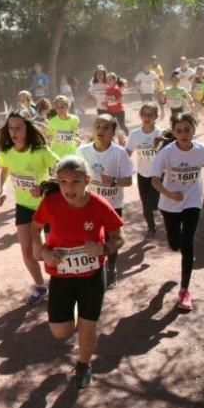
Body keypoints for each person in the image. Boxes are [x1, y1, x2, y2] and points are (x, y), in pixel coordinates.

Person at [32, 156, 125, 389]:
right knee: (61, 332)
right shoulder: (50, 203)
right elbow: (35, 229)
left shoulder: (99, 205)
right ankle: (77, 329)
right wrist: (42, 251)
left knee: (87, 329)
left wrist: (103, 248)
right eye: (63, 181)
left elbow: (119, 238)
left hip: (91, 276)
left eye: (75, 181)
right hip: (61, 276)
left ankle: (84, 365)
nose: (68, 187)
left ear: (87, 181)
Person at [150, 113, 204, 311]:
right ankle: (177, 242)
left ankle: (184, 291)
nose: (183, 134)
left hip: (192, 200)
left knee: (187, 243)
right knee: (174, 244)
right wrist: (169, 194)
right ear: (174, 132)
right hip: (169, 203)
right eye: (179, 130)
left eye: (187, 130)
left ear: (193, 129)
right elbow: (155, 180)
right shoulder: (167, 153)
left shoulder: (201, 149)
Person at [0, 110, 60, 304]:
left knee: (50, 250)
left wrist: (44, 186)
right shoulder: (6, 152)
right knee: (27, 252)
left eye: (18, 127)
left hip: (47, 206)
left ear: (27, 129)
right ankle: (41, 286)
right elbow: (5, 170)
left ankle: (59, 283)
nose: (14, 131)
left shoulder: (40, 151)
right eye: (11, 128)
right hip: (23, 206)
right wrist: (2, 190)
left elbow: (62, 167)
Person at [77, 115, 134, 287]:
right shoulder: (82, 151)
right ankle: (92, 269)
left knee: (112, 238)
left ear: (113, 132)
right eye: (98, 126)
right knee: (89, 237)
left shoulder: (119, 153)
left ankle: (111, 268)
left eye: (106, 127)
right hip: (88, 204)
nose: (101, 130)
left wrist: (114, 181)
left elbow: (129, 181)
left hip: (112, 205)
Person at [126, 104, 163, 238]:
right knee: (145, 204)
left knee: (151, 205)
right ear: (140, 115)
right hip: (142, 174)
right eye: (144, 114)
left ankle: (162, 213)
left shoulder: (161, 134)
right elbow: (127, 153)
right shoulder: (135, 135)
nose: (147, 117)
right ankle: (151, 227)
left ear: (156, 116)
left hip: (158, 175)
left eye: (150, 114)